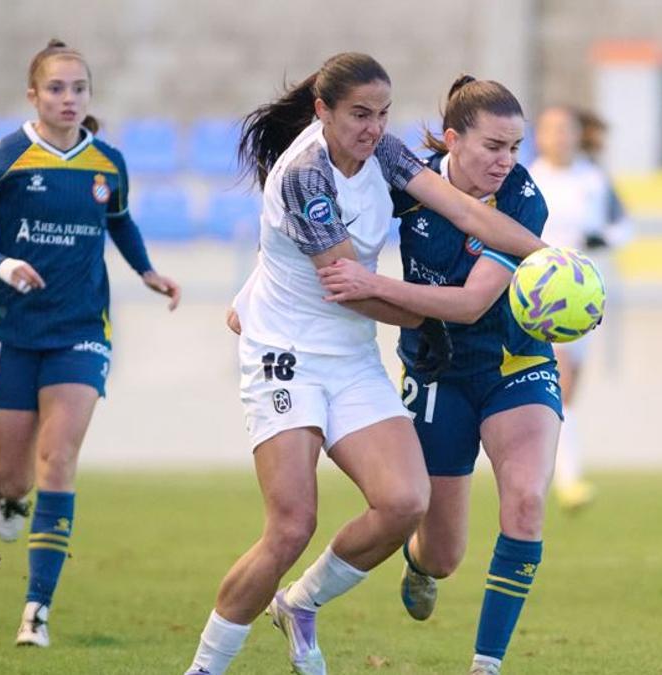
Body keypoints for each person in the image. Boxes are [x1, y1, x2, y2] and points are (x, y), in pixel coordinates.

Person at [184, 53, 545, 675]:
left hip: (351, 358)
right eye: (359, 115)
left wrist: (556, 262)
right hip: (287, 354)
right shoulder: (305, 178)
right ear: (322, 110)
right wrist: (424, 312)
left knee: (406, 502)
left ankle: (300, 607)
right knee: (292, 525)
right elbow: (362, 292)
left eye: (382, 114)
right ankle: (206, 667)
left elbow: (463, 211)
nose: (374, 128)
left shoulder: (385, 153)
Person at [0, 39, 181, 647]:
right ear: (33, 96)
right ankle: (10, 500)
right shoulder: (8, 156)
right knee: (15, 477)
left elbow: (118, 218)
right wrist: (0, 263)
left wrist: (145, 270)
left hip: (80, 331)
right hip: (13, 332)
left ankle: (36, 611)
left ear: (88, 96)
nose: (68, 100)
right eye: (56, 89)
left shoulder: (107, 162)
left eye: (78, 89)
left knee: (58, 460)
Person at [318, 75, 559, 675]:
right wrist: (256, 297)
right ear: (452, 140)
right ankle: (419, 564)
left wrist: (373, 285)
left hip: (515, 365)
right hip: (437, 372)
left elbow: (474, 302)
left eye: (514, 148)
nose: (506, 161)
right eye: (492, 147)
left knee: (526, 501)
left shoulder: (524, 199)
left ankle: (486, 663)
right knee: (444, 554)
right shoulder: (405, 184)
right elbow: (313, 232)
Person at [527, 106, 630, 511]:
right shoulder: (529, 178)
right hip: (540, 295)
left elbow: (623, 226)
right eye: (550, 129)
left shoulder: (594, 179)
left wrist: (601, 238)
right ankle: (568, 479)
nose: (558, 137)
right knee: (561, 379)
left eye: (565, 129)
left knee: (569, 388)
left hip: (585, 295)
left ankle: (549, 468)